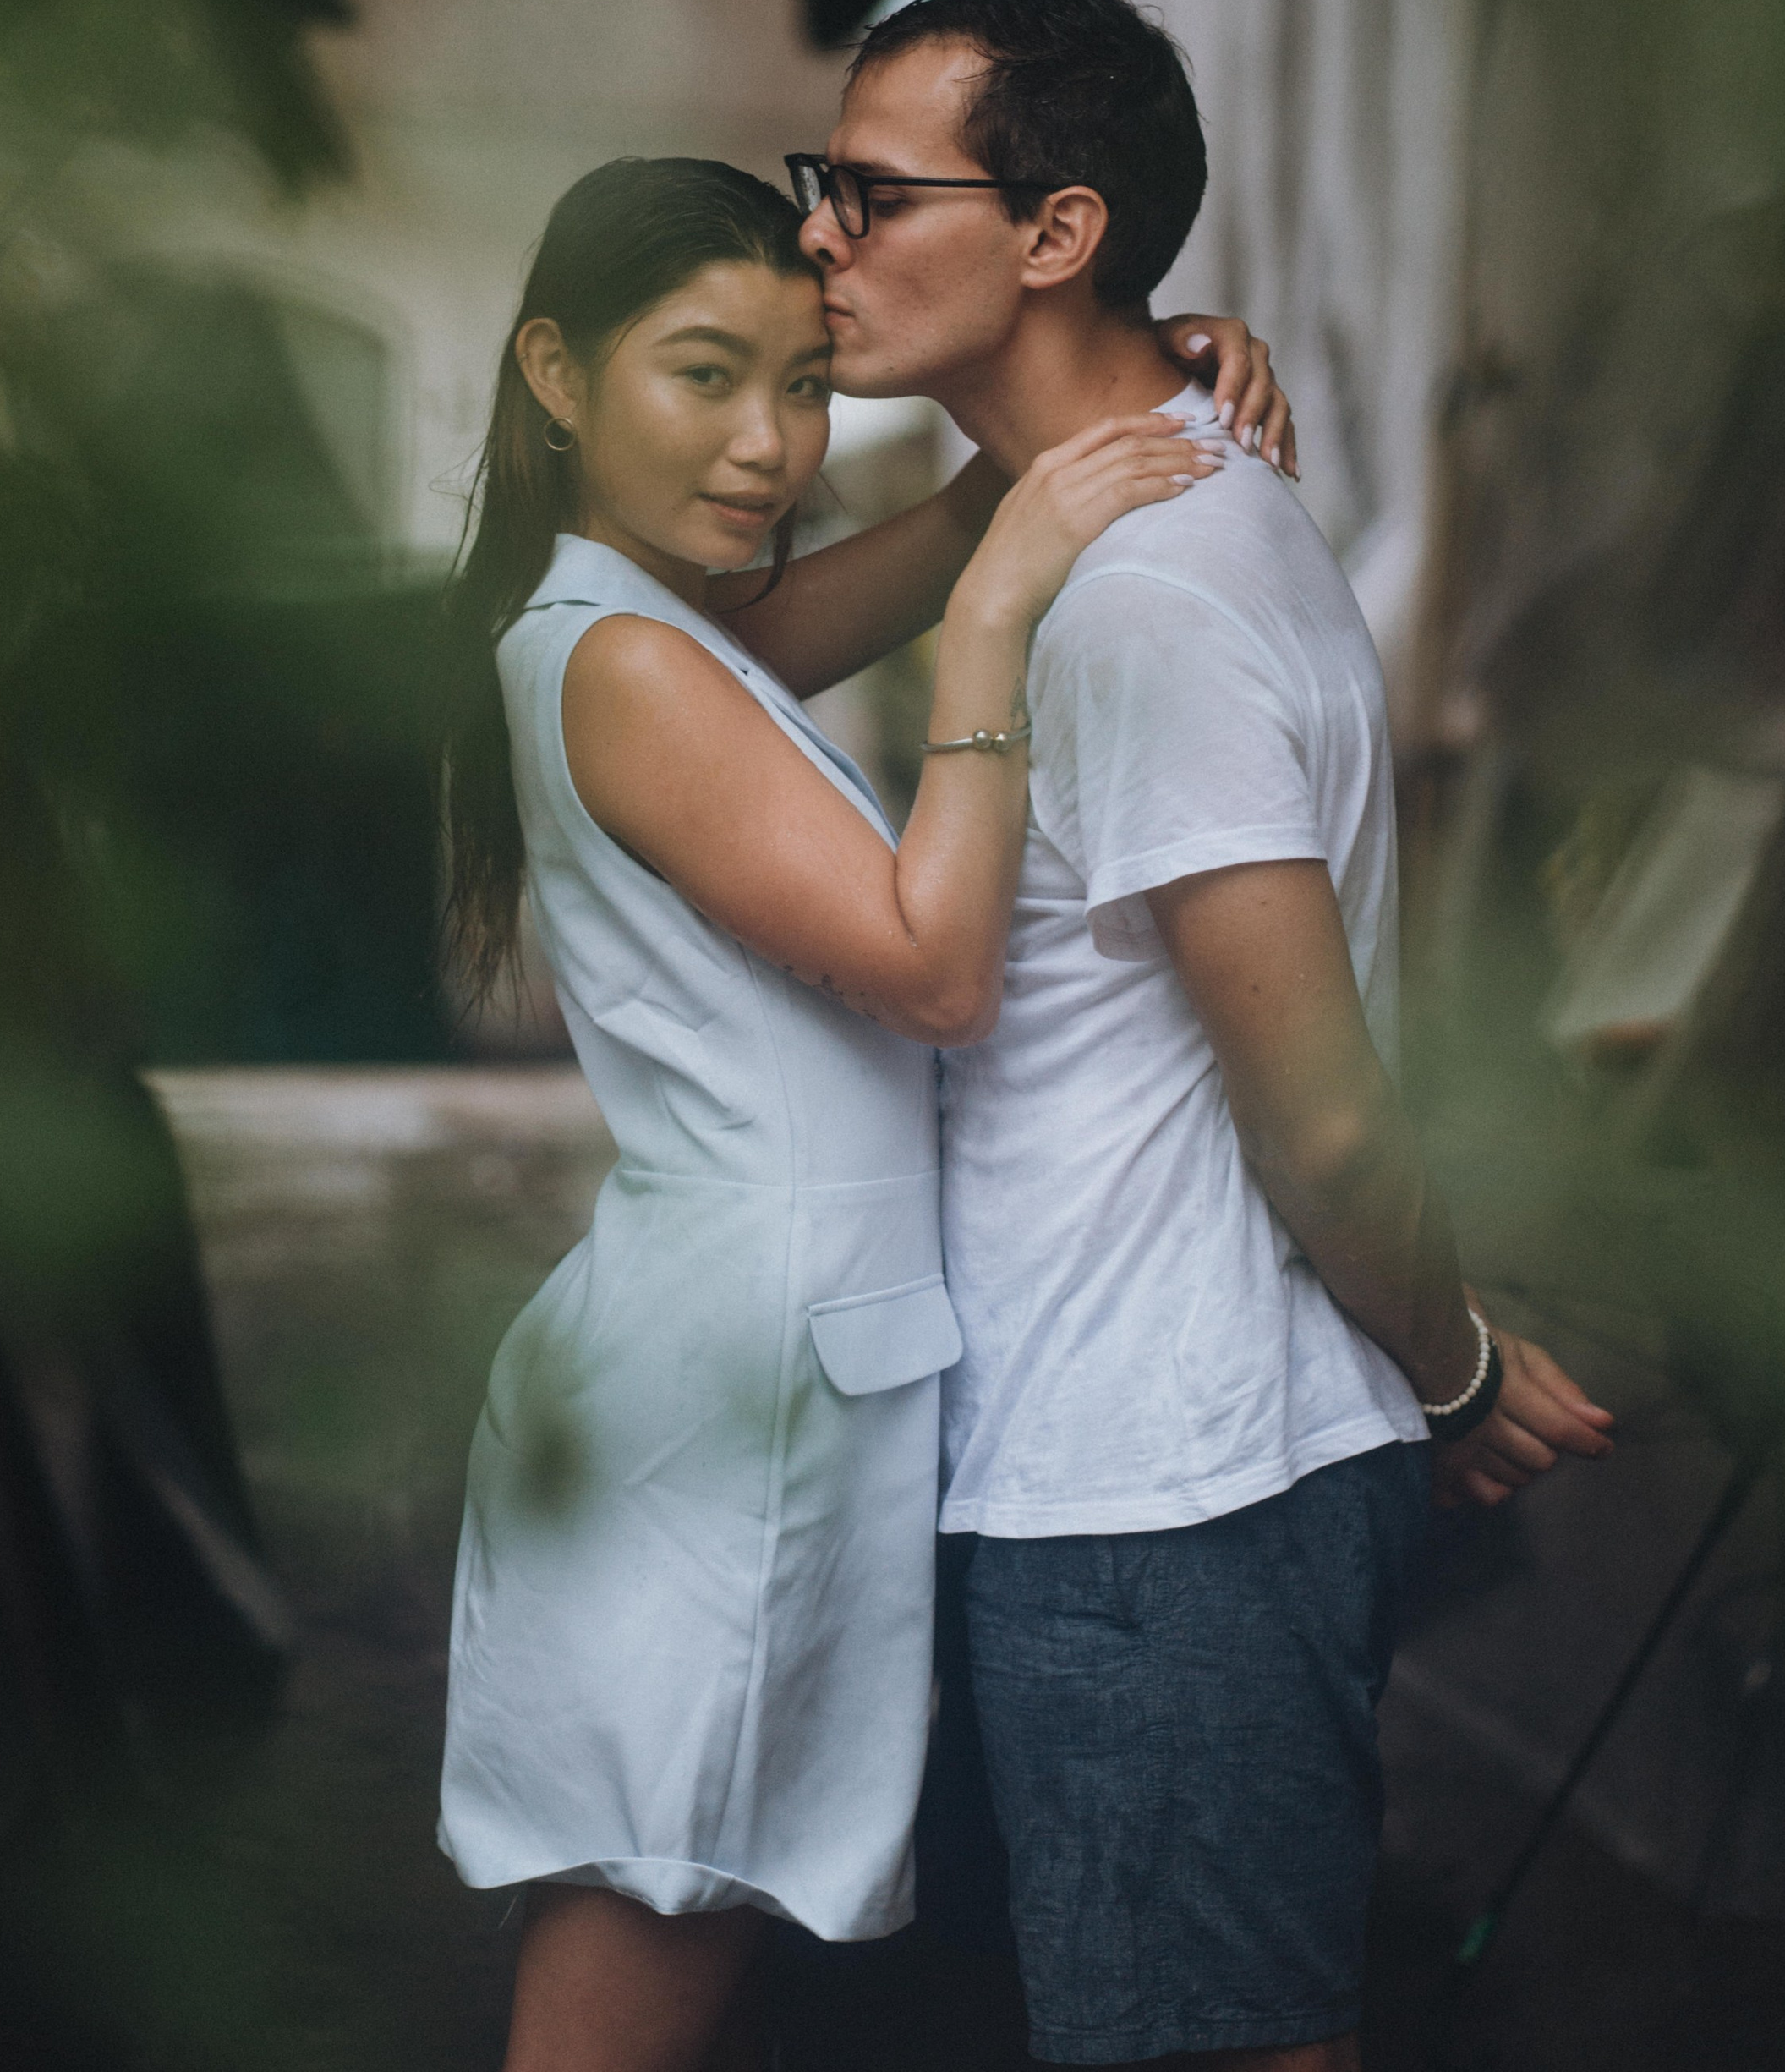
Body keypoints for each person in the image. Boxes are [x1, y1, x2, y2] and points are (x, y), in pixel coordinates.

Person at [754, 0, 1615, 2072]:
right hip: (1115, 1471)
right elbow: (673, 668)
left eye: (869, 195)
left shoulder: (1142, 598)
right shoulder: (1131, 514)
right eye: (819, 190)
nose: (819, 243)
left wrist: (1453, 1366)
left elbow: (1314, 1113)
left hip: (1162, 1495)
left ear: (1055, 234)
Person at [432, 154, 1282, 2072]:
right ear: (553, 374)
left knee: (682, 1918)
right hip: (728, 1388)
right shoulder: (633, 661)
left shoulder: (656, 627)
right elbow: (935, 972)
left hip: (759, 1361)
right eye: (702, 376)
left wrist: (1138, 367)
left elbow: (960, 509)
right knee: (643, 1931)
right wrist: (989, 631)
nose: (767, 445)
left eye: (803, 385)